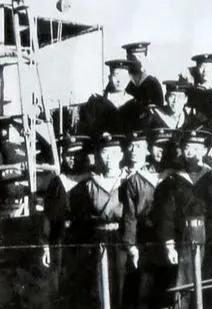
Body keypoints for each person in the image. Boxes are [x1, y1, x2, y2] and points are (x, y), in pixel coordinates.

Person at [151, 129, 212, 309]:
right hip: (184, 235)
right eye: (188, 147)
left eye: (198, 148)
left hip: (208, 236)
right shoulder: (172, 180)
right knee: (184, 283)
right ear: (182, 150)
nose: (192, 152)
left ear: (205, 151)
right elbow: (166, 215)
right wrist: (169, 245)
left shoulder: (211, 177)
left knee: (208, 281)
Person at [67, 133, 128, 309]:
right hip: (98, 238)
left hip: (121, 237)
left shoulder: (128, 180)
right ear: (99, 156)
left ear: (121, 155)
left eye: (114, 153)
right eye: (105, 153)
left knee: (123, 283)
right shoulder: (90, 183)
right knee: (99, 285)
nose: (109, 158)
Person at [121, 129, 172, 309]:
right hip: (147, 242)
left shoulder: (176, 176)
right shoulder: (136, 180)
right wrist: (131, 247)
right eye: (158, 146)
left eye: (166, 146)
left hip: (174, 241)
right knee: (146, 293)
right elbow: (130, 216)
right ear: (150, 148)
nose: (162, 151)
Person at [43, 135, 92, 307]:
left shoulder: (91, 181)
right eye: (69, 155)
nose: (73, 159)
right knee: (61, 286)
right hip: (61, 240)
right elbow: (48, 215)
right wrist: (45, 244)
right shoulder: (57, 183)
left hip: (85, 240)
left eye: (77, 155)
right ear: (63, 157)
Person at [79, 59, 143, 137]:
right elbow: (87, 127)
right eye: (116, 75)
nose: (119, 80)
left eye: (123, 76)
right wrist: (101, 133)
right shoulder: (97, 101)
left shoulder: (134, 103)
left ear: (129, 78)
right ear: (109, 78)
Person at [122, 42, 164, 109]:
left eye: (140, 57)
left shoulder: (153, 84)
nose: (138, 61)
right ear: (128, 59)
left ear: (145, 58)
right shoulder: (123, 82)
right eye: (134, 58)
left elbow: (158, 109)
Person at [187, 53, 212, 119]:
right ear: (197, 69)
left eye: (208, 68)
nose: (204, 71)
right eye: (201, 67)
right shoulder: (191, 92)